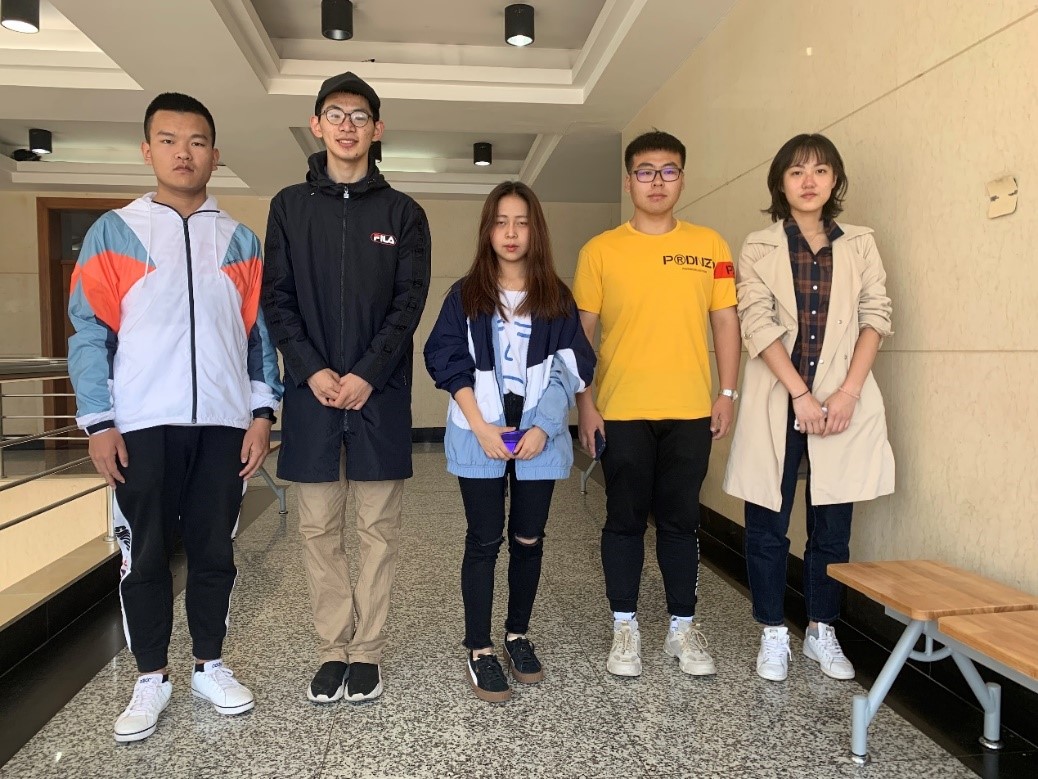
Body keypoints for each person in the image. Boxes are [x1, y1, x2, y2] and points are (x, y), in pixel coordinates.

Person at [68, 93, 282, 742]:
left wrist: (262, 413)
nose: (183, 153)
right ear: (147, 151)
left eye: (196, 142)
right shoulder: (115, 231)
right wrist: (99, 421)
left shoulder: (240, 240)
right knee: (147, 554)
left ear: (215, 155)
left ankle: (209, 663)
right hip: (141, 424)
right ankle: (151, 676)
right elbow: (89, 331)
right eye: (168, 140)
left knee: (216, 549)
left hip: (223, 423)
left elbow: (259, 337)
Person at [262, 72, 431, 704]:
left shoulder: (403, 214)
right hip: (311, 396)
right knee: (316, 529)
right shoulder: (289, 207)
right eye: (335, 114)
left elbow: (408, 303)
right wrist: (310, 369)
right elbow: (276, 299)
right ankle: (333, 648)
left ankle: (369, 651)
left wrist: (366, 373)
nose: (347, 126)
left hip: (377, 394)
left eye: (359, 116)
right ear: (316, 125)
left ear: (377, 129)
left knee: (378, 530)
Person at [722, 133, 894, 683]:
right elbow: (756, 322)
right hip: (780, 397)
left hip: (842, 401)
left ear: (835, 180)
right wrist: (800, 392)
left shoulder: (860, 243)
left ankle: (822, 629)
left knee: (832, 526)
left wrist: (847, 394)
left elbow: (876, 316)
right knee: (767, 523)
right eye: (796, 171)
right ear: (781, 182)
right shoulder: (759, 246)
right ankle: (773, 631)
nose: (809, 180)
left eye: (820, 170)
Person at [572, 131, 741, 678]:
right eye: (645, 171)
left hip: (690, 410)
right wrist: (585, 404)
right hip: (621, 410)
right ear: (629, 182)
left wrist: (727, 392)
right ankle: (624, 626)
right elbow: (582, 334)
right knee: (623, 519)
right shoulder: (600, 250)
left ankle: (681, 627)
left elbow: (725, 322)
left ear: (682, 179)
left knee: (681, 521)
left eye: (669, 171)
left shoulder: (710, 246)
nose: (657, 181)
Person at [424, 182, 595, 702]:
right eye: (501, 222)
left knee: (528, 538)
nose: (511, 232)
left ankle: (517, 634)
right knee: (483, 540)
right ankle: (479, 648)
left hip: (540, 435)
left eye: (521, 222)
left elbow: (573, 365)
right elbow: (446, 360)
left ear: (535, 230)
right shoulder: (465, 294)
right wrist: (481, 428)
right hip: (479, 433)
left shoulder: (556, 297)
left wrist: (543, 427)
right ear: (488, 230)